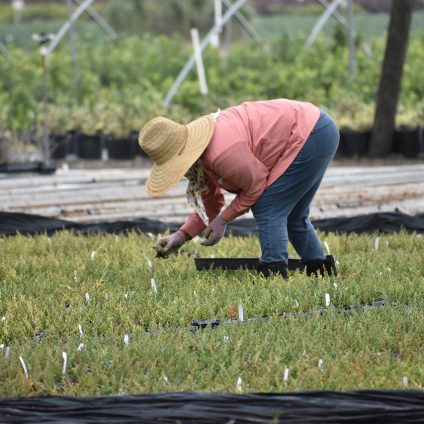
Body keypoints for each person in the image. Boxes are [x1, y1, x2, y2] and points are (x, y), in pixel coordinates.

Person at [139, 98, 339, 279]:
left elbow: (256, 186)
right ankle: (319, 271)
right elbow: (211, 203)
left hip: (311, 133)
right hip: (316, 130)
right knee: (293, 214)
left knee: (268, 205)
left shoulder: (220, 153)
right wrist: (181, 235)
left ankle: (274, 275)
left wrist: (223, 220)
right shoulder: (201, 158)